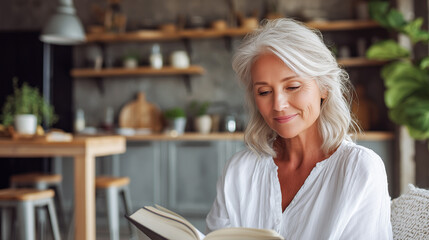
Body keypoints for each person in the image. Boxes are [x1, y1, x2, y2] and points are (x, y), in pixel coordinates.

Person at [206, 18, 393, 239]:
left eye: (293, 86)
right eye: (264, 92)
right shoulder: (239, 171)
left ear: (323, 87)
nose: (278, 105)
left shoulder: (360, 169)